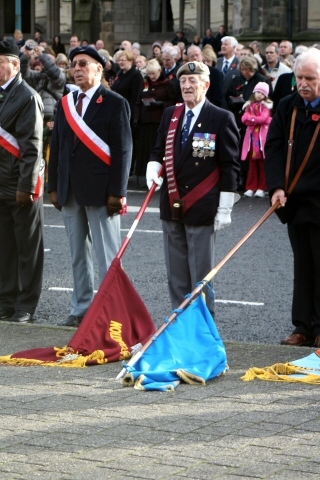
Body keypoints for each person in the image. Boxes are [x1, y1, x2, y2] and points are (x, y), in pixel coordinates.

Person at [146, 61, 239, 314]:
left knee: (201, 277)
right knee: (176, 276)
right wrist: (153, 166)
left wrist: (225, 207)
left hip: (202, 206)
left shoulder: (220, 118)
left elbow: (230, 166)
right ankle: (179, 325)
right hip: (172, 204)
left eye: (193, 81)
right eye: (183, 81)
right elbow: (158, 150)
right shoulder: (170, 115)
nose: (186, 86)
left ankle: (202, 328)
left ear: (206, 85)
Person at [48, 45, 132, 327]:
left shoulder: (114, 102)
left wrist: (117, 192)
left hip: (100, 191)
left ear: (100, 68)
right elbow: (57, 147)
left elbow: (122, 151)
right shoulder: (65, 103)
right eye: (74, 64)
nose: (78, 69)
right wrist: (54, 186)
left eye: (84, 63)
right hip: (71, 189)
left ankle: (111, 312)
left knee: (107, 256)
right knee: (77, 256)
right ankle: (81, 308)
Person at [264, 47, 320, 347]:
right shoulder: (288, 105)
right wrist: (276, 186)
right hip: (295, 201)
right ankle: (303, 326)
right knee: (303, 266)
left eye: (310, 78)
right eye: (299, 77)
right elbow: (272, 147)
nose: (303, 84)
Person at [0, 40, 44, 324]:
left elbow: (32, 145)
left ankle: (25, 305)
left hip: (19, 183)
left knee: (28, 247)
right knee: (5, 247)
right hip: (0, 183)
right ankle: (5, 300)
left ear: (14, 65)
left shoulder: (26, 96)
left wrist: (26, 187)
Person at [135, 58, 176, 179]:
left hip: (159, 121)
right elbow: (138, 101)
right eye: (150, 74)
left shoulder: (167, 84)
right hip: (146, 121)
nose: (152, 76)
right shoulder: (145, 84)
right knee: (144, 149)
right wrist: (136, 117)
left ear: (159, 71)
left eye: (154, 74)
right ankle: (142, 173)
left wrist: (161, 104)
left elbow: (173, 101)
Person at [111, 49, 144, 175]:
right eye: (119, 60)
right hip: (117, 112)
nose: (120, 62)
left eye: (123, 60)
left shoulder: (135, 76)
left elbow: (135, 96)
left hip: (127, 112)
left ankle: (128, 167)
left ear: (130, 61)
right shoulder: (120, 73)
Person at [241, 82, 272, 197]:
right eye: (258, 92)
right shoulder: (249, 105)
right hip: (252, 139)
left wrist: (251, 119)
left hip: (261, 139)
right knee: (252, 163)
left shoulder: (266, 106)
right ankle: (251, 186)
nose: (259, 95)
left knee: (262, 162)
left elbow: (263, 119)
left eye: (262, 93)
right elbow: (244, 118)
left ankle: (262, 187)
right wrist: (255, 119)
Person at [216, 36, 240, 108]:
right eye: (222, 44)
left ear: (234, 47)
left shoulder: (239, 63)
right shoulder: (217, 62)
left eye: (226, 44)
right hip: (217, 103)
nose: (223, 46)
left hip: (231, 105)